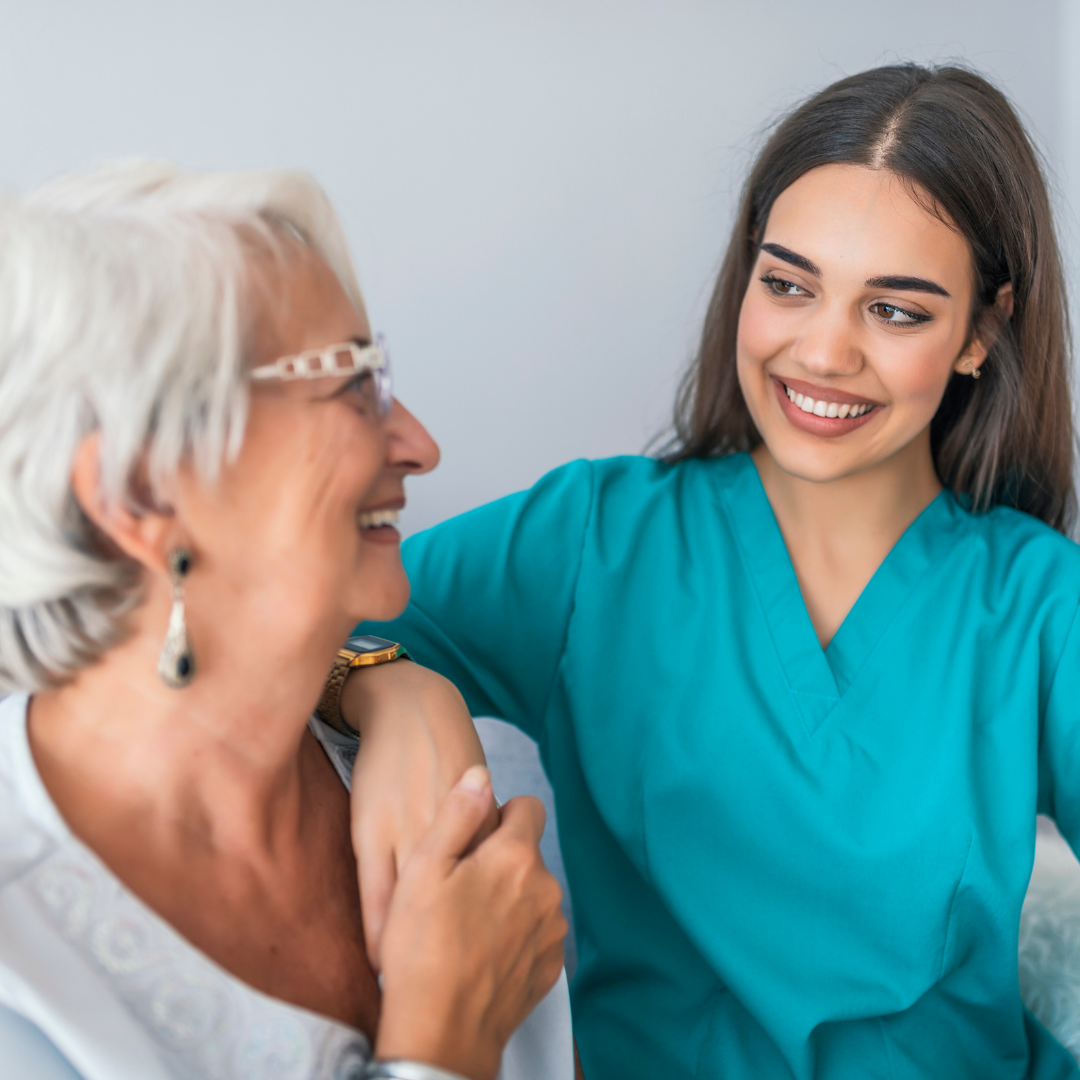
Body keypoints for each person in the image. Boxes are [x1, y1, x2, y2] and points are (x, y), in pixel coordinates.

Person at [343, 64, 1080, 1078]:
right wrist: (396, 697)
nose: (823, 352)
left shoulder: (1041, 607)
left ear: (981, 333)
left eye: (896, 311)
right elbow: (316, 621)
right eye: (788, 284)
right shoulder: (591, 542)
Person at [0, 162, 572, 1080]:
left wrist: (383, 680)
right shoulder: (19, 974)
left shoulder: (471, 794)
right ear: (141, 491)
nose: (421, 444)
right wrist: (442, 1047)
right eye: (352, 385)